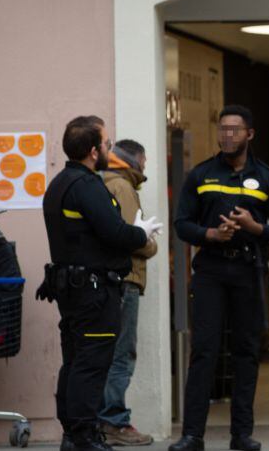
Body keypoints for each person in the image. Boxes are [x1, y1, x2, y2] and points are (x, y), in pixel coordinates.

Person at [169, 105, 269, 451]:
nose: (227, 135)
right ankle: (192, 435)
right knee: (204, 351)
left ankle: (241, 434)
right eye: (223, 129)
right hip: (210, 270)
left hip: (246, 269)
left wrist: (257, 229)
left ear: (249, 134)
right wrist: (210, 234)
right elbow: (181, 224)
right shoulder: (201, 175)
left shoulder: (267, 178)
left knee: (246, 351)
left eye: (234, 130)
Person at [37, 116, 162, 451]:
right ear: (93, 151)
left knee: (76, 362)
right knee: (91, 365)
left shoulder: (59, 183)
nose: (109, 149)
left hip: (72, 289)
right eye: (106, 144)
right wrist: (142, 233)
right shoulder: (87, 186)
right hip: (93, 292)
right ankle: (84, 435)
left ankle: (72, 433)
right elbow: (115, 233)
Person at [98, 140, 157, 445]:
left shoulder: (101, 183)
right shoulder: (122, 186)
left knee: (106, 352)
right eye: (143, 162)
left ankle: (102, 420)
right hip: (126, 278)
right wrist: (153, 244)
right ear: (132, 161)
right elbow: (133, 236)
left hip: (109, 279)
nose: (144, 168)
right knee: (122, 354)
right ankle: (114, 421)